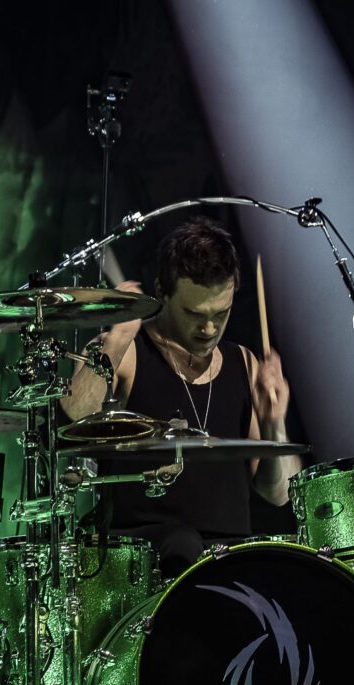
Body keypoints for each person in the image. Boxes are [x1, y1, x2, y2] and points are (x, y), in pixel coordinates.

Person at [60, 218, 302, 575]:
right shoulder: (128, 353)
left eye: (221, 314)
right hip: (143, 561)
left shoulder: (245, 363)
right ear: (163, 291)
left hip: (225, 558)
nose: (209, 328)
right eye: (194, 314)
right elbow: (72, 416)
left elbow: (278, 493)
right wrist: (116, 340)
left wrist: (274, 423)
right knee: (182, 543)